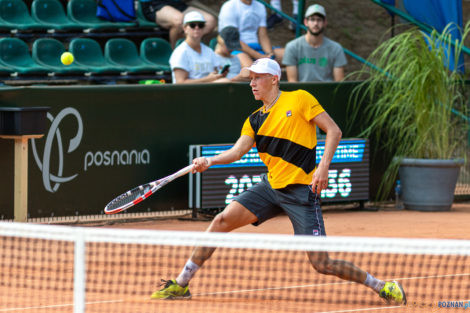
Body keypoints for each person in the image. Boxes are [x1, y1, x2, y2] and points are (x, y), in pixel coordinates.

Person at [149, 58, 407, 306]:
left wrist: (323, 168)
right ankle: (181, 283)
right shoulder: (254, 119)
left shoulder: (300, 99)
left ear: (274, 79)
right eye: (250, 79)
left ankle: (382, 286)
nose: (252, 83)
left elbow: (334, 130)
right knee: (221, 221)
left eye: (258, 78)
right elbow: (237, 152)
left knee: (322, 263)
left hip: (302, 193)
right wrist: (209, 161)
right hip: (271, 188)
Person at [282, 4, 347, 82]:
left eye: (319, 20)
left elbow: (339, 82)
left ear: (325, 22)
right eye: (312, 19)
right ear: (306, 22)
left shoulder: (336, 48)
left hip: (327, 92)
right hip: (302, 93)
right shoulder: (292, 47)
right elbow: (292, 82)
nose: (316, 23)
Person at [218, 0, 284, 68]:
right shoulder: (229, 6)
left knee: (290, 56)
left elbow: (263, 35)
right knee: (251, 70)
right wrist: (260, 56)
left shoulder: (260, 6)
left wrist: (270, 55)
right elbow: (232, 39)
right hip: (235, 49)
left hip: (256, 48)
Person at [169, 11, 229, 84]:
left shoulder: (209, 51)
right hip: (188, 93)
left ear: (203, 28)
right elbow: (180, 82)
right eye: (192, 25)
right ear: (185, 28)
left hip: (207, 90)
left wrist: (220, 75)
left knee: (226, 81)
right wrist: (207, 79)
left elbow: (215, 73)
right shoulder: (180, 52)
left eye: (200, 25)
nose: (197, 28)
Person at [139, 0, 217, 48]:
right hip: (155, 4)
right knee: (178, 20)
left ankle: (191, 48)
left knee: (210, 21)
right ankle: (177, 53)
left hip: (177, 4)